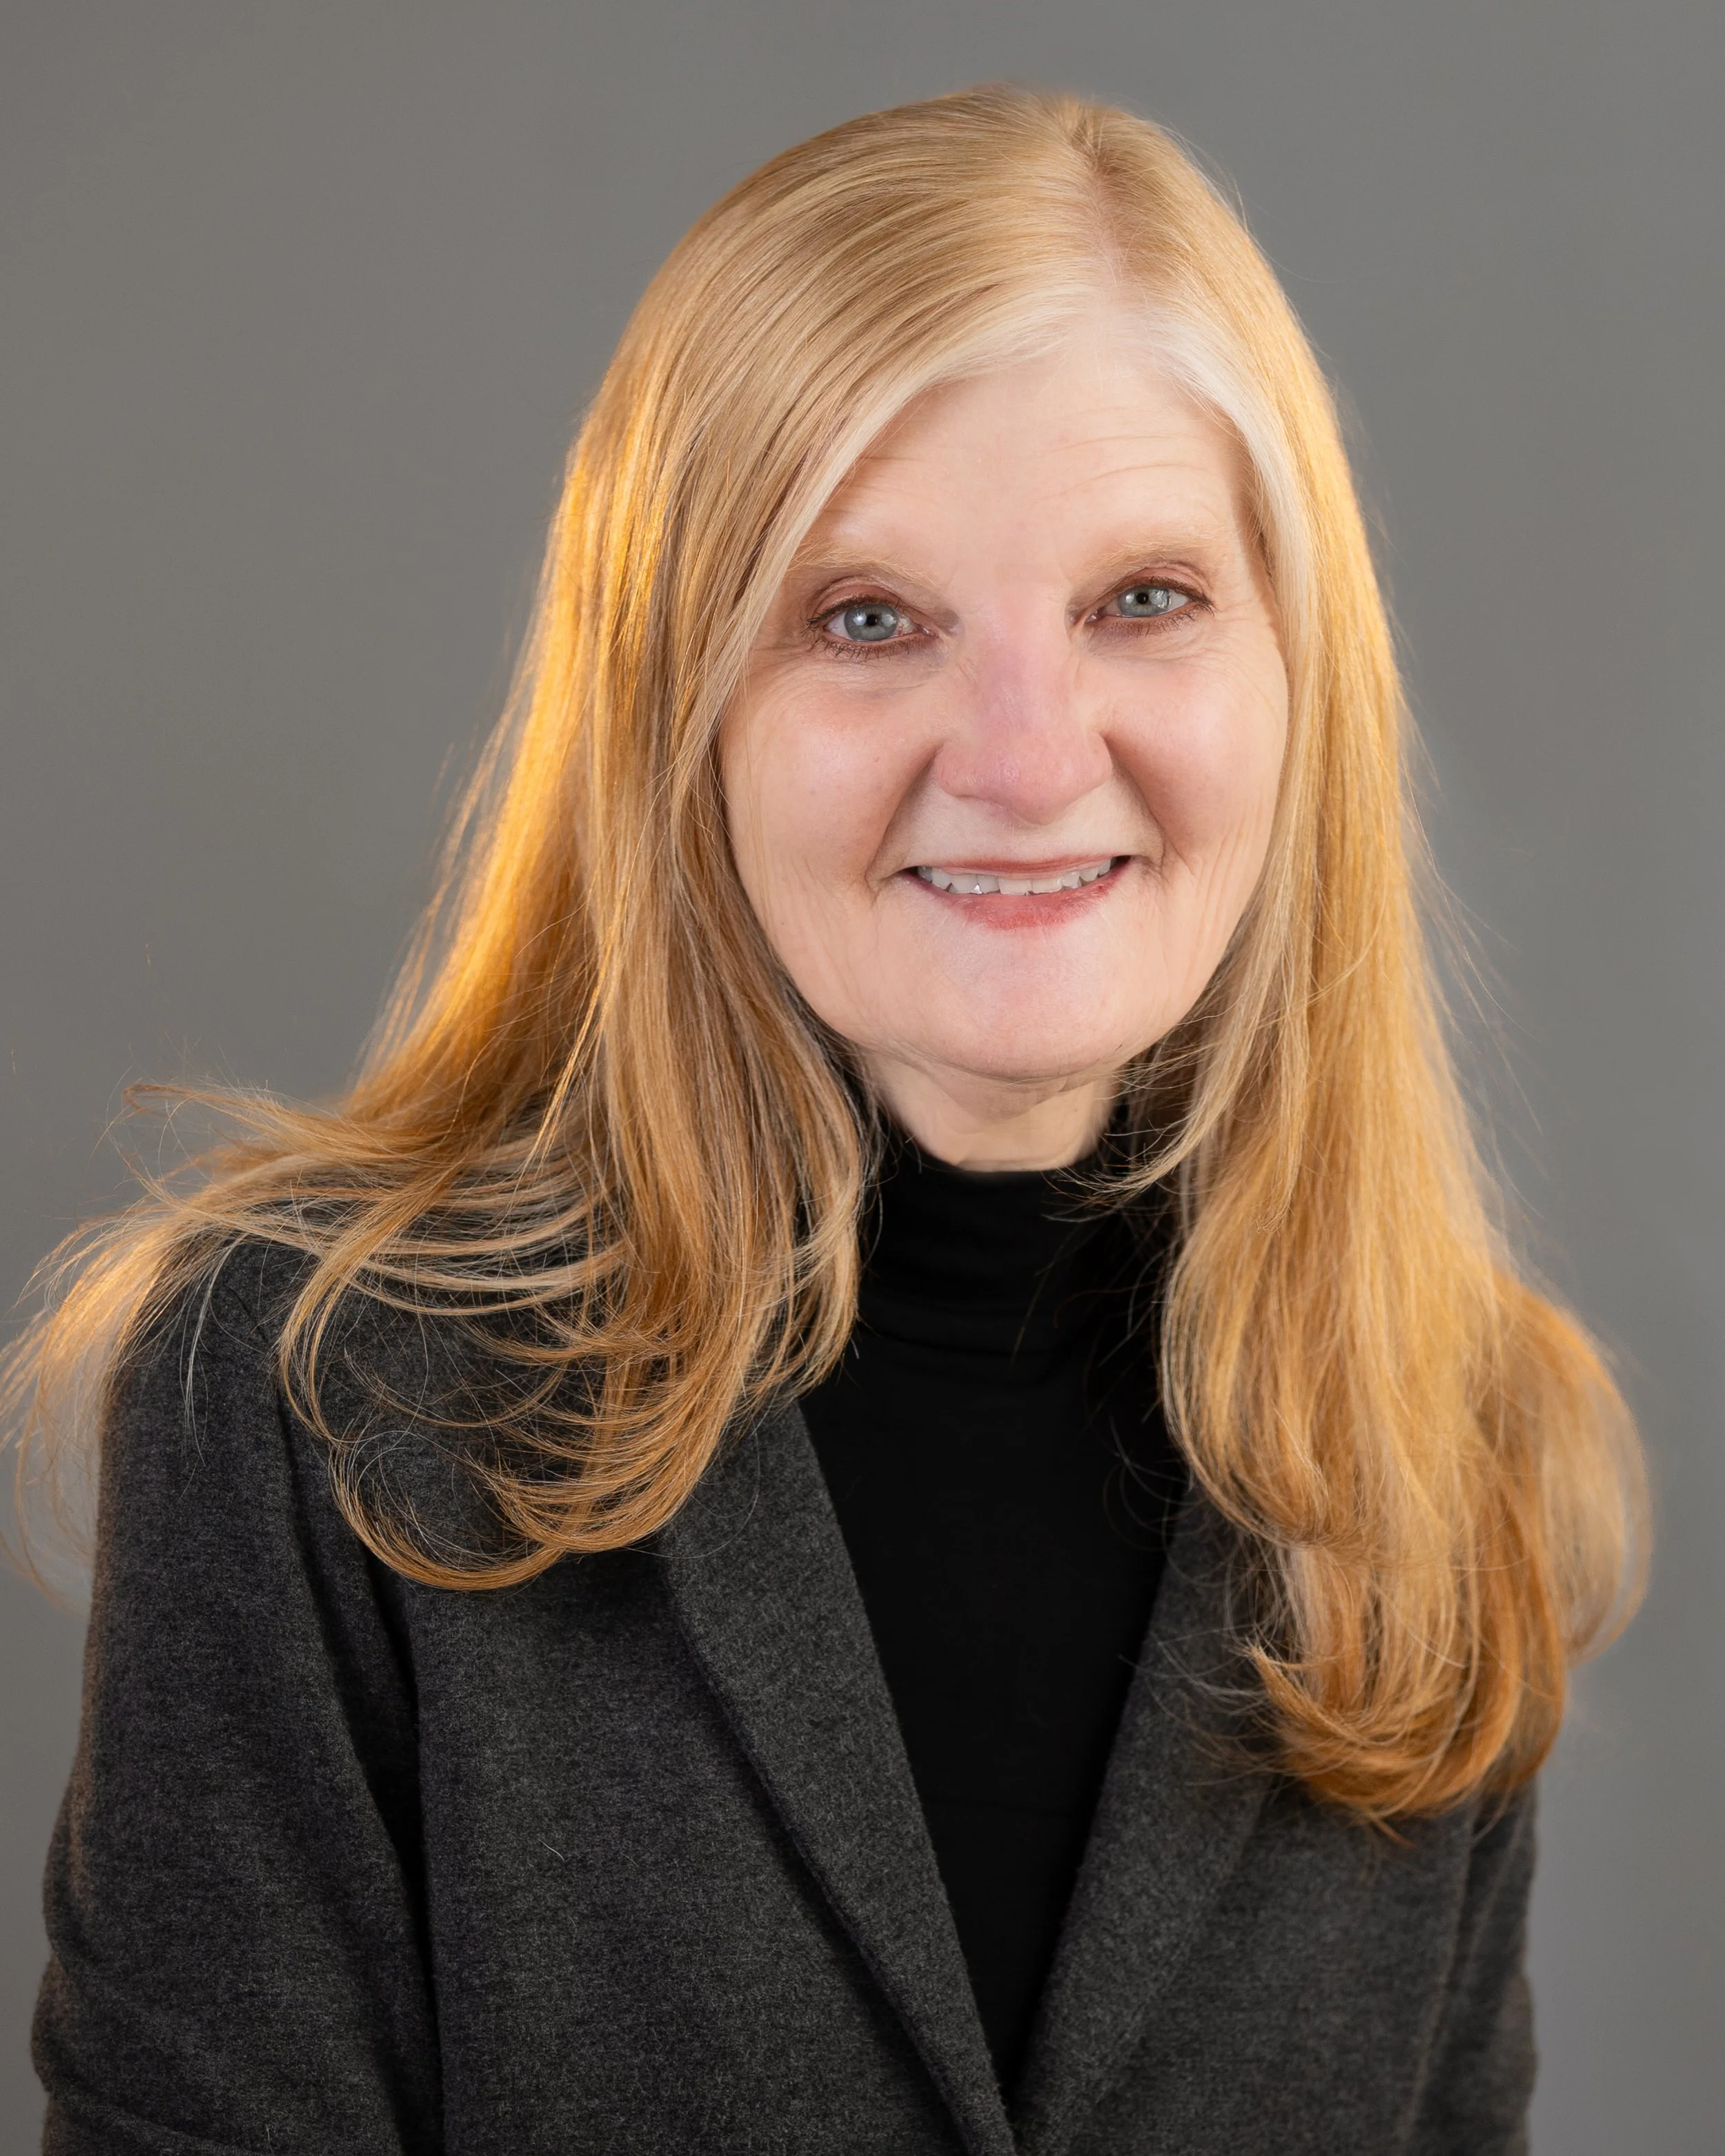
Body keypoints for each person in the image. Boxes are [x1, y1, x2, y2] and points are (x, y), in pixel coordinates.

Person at [9, 86, 1644, 2155]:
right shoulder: (311, 1400)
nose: (1031, 759)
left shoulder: (1447, 1438)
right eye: (865, 619)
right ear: (674, 717)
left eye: (1142, 597)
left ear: (1300, 679)